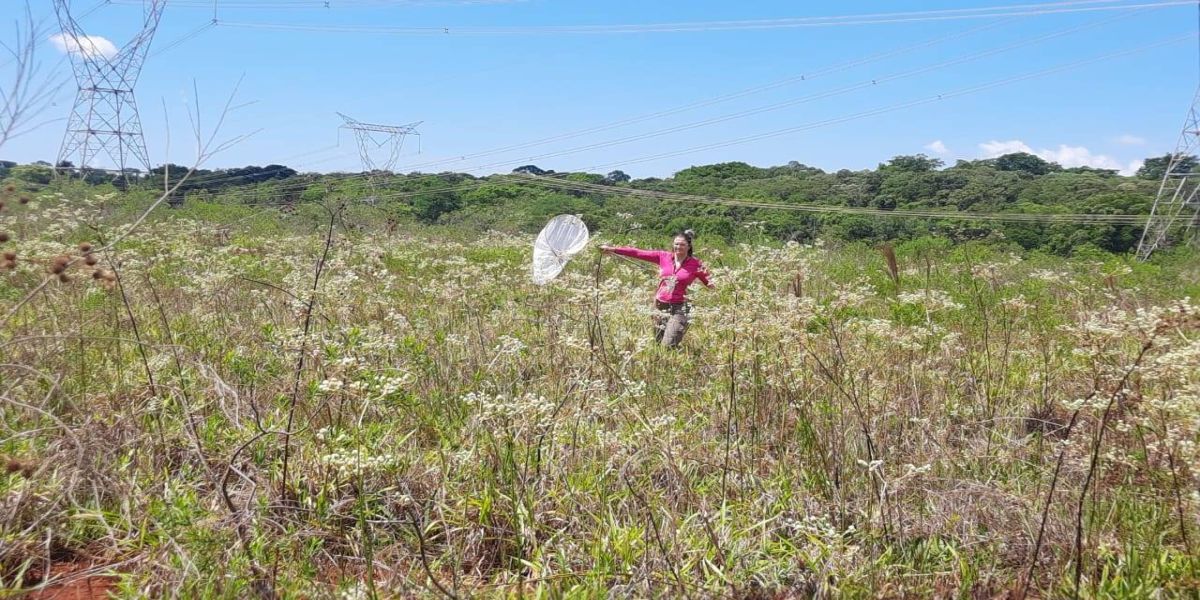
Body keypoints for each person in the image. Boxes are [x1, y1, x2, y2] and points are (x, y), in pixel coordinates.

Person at [600, 229, 714, 348]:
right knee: (658, 342)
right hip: (660, 305)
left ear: (689, 246)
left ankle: (671, 361)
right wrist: (613, 249)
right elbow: (637, 253)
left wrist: (721, 285)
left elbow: (710, 283)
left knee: (669, 344)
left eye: (682, 244)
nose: (678, 247)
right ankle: (664, 363)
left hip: (681, 307)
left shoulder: (697, 264)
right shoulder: (663, 256)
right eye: (676, 244)